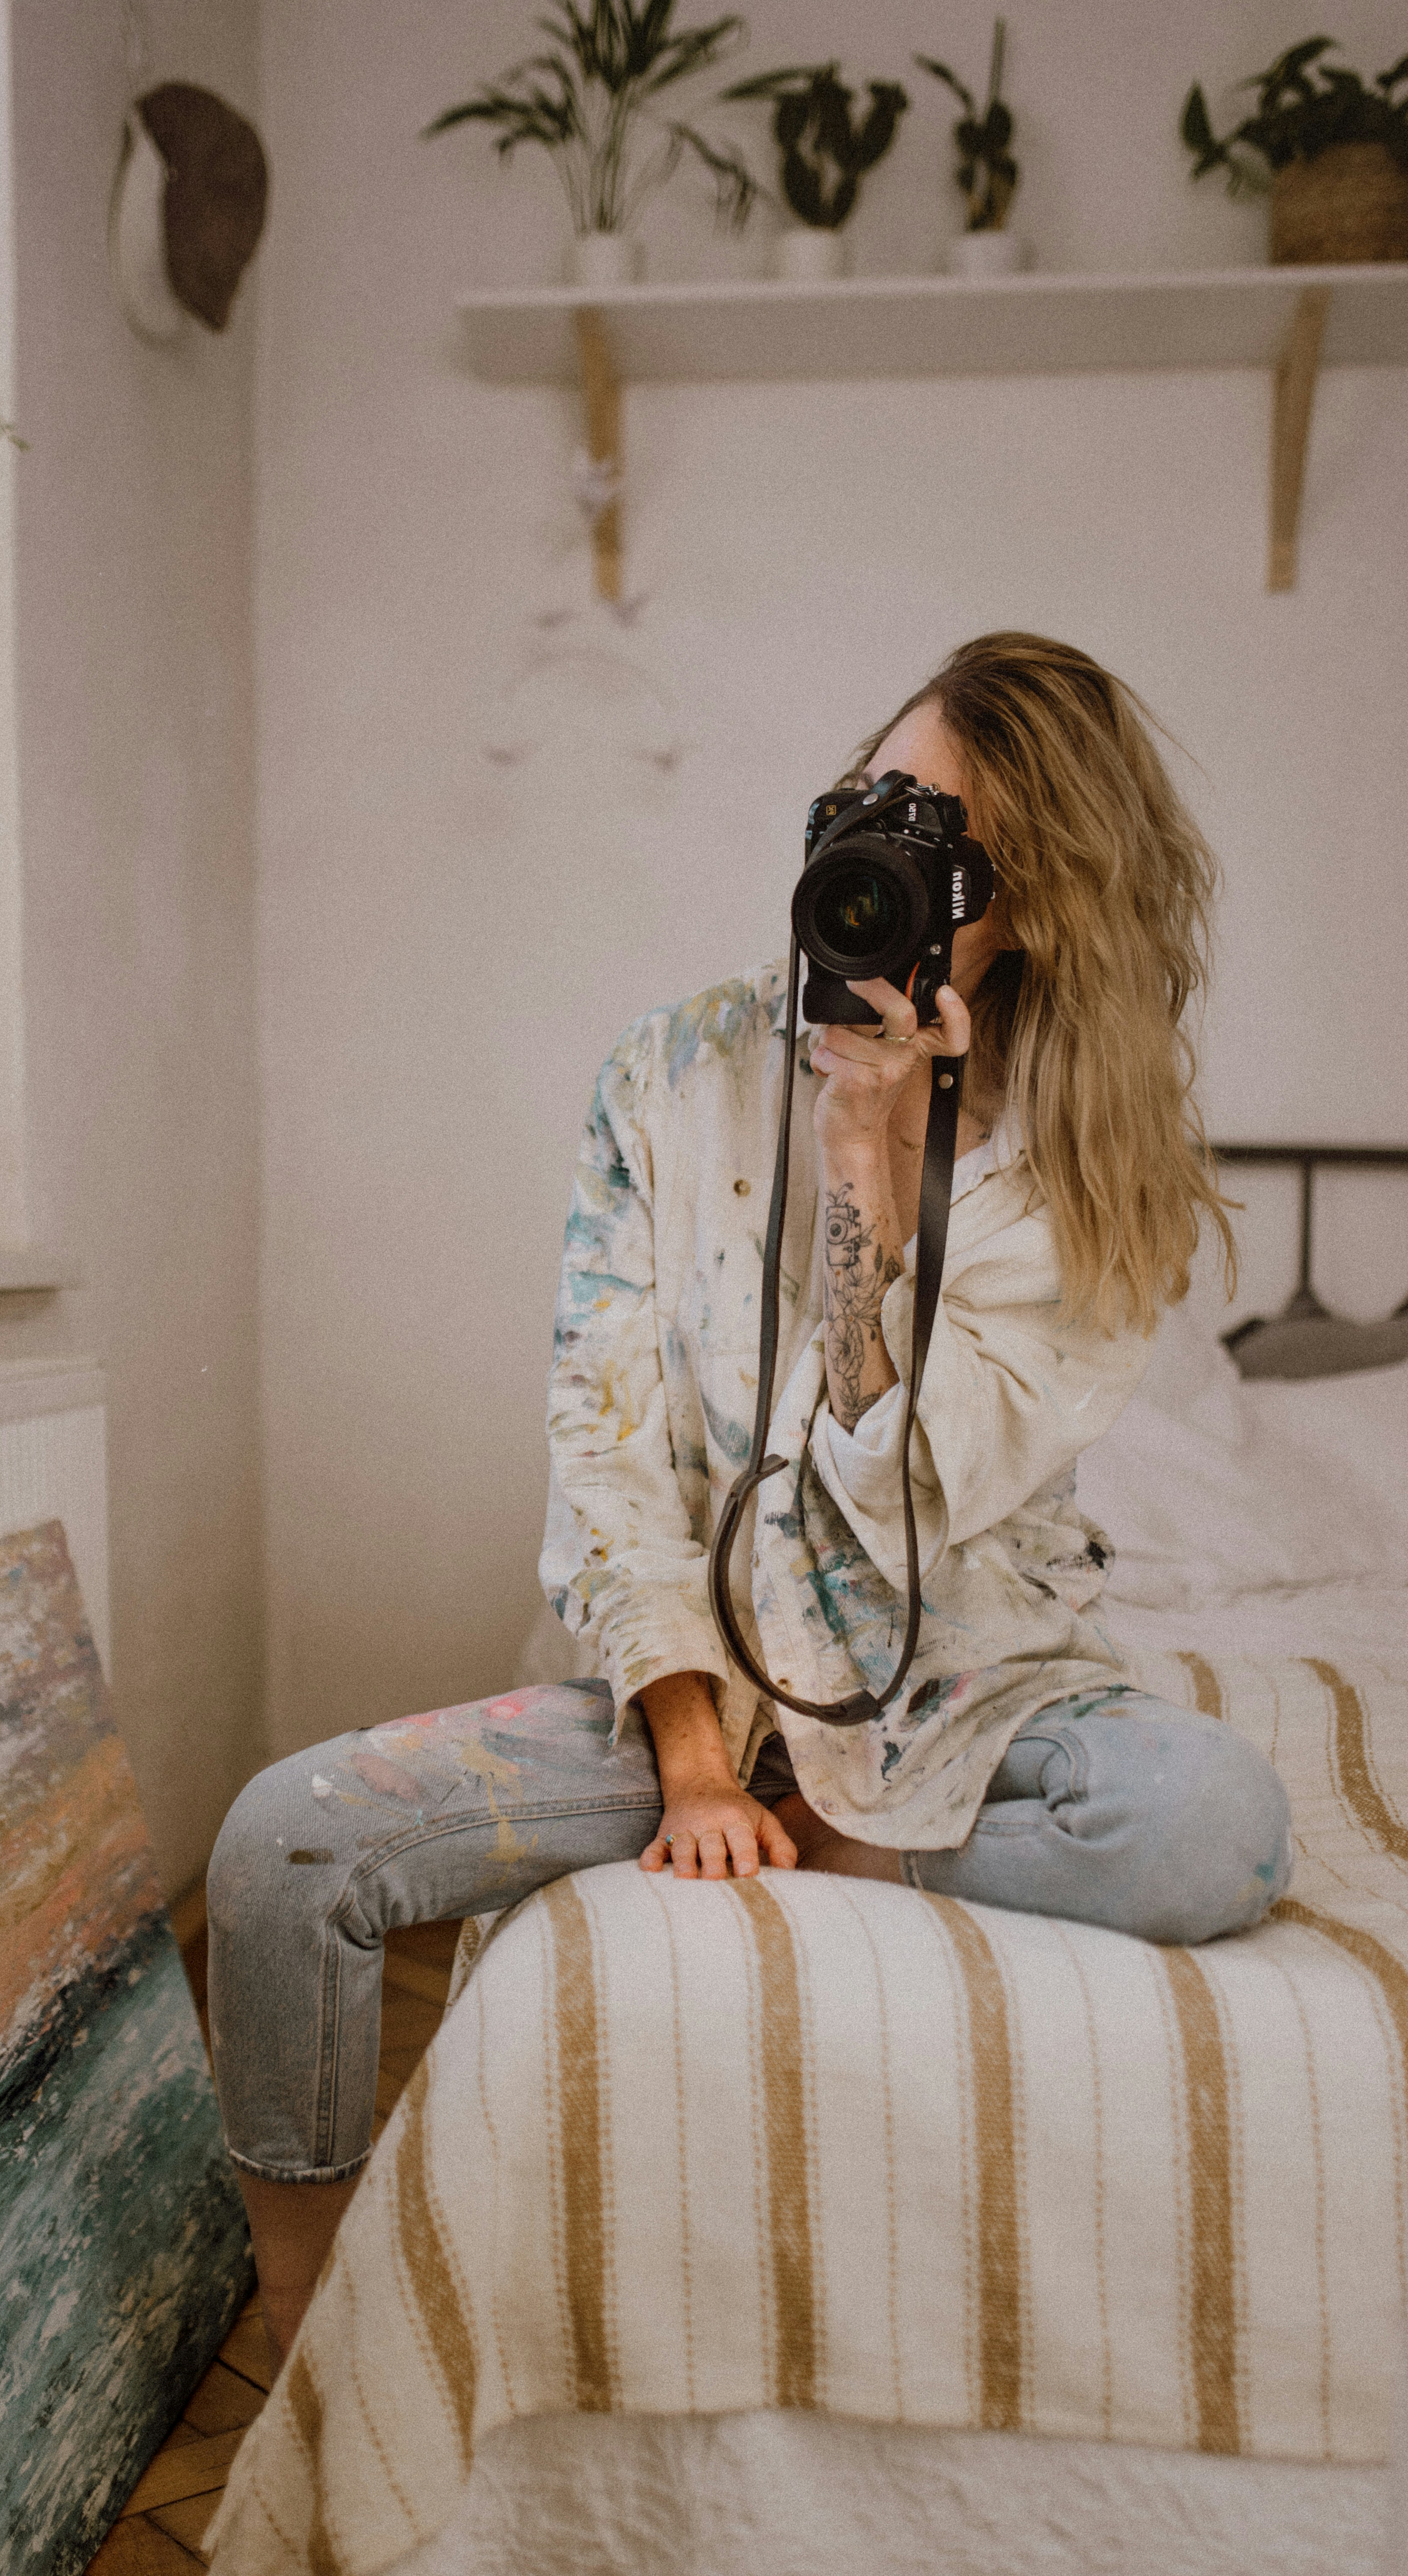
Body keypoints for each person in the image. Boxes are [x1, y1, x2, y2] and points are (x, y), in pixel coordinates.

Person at [207, 630, 1292, 2362]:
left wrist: (873, 1154)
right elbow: (604, 1440)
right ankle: (300, 2325)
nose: (888, 865)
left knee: (1210, 1825)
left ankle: (855, 1849)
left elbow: (903, 1501)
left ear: (1032, 914)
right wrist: (697, 1759)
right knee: (279, 1848)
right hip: (686, 1684)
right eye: (883, 804)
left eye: (958, 858)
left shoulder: (1088, 1170)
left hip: (956, 1684)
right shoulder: (668, 1072)